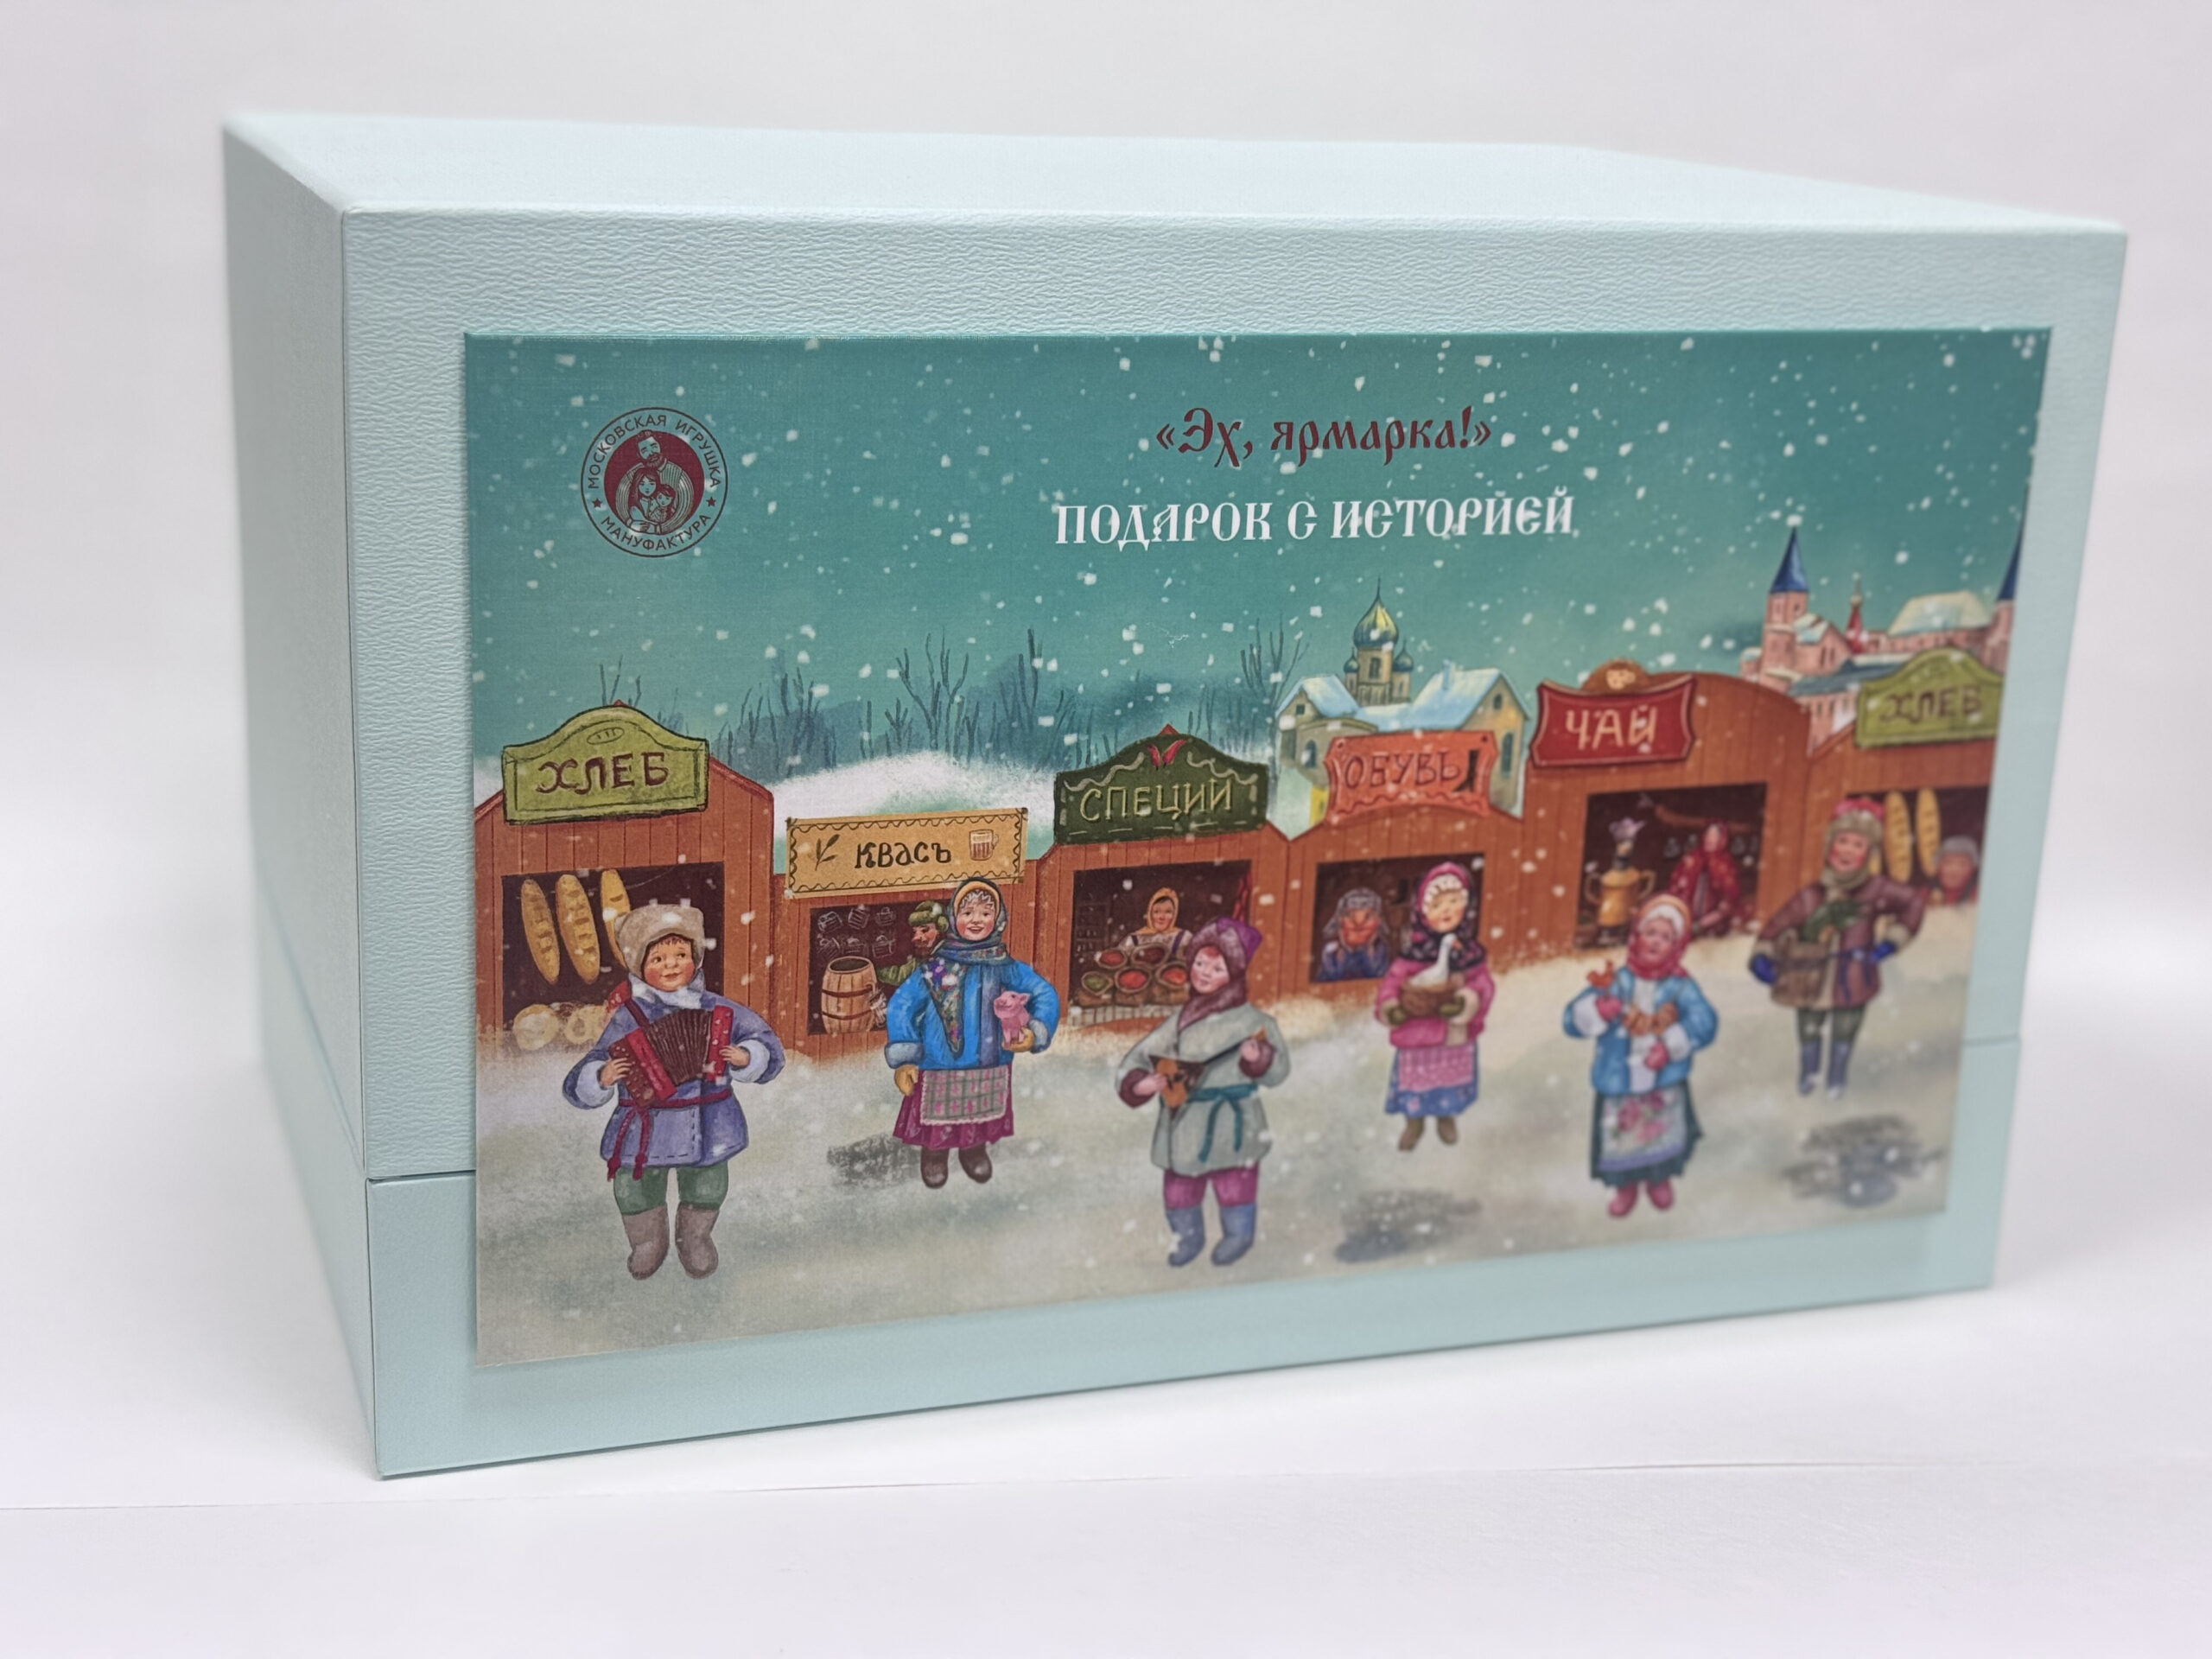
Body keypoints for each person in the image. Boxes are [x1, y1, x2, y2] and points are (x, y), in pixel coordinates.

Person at [563, 904, 785, 1280]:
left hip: (709, 1117)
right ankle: (647, 1241)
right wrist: (602, 1076)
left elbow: (767, 1045)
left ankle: (695, 1237)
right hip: (646, 1121)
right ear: (639, 966)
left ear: (695, 958)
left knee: (708, 1181)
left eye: (681, 955)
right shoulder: (628, 1017)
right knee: (635, 1185)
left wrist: (748, 1056)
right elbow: (586, 1071)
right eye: (658, 958)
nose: (671, 965)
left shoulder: (719, 1009)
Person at [1116, 918, 1290, 1268]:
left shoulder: (1255, 1022)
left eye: (1217, 968)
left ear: (1235, 973)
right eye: (1199, 963)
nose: (1204, 973)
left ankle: (1238, 1235)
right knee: (1180, 1188)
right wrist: (1140, 1083)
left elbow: (1279, 1072)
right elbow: (1139, 1057)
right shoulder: (1182, 1020)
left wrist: (1259, 1059)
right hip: (1186, 1118)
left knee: (1235, 1184)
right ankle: (1188, 1236)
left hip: (1234, 1120)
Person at [883, 877, 1060, 1187]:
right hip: (940, 1063)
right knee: (937, 1119)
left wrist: (1036, 1030)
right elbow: (903, 1004)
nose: (976, 920)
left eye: (985, 913)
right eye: (967, 913)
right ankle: (934, 1155)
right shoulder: (935, 967)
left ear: (998, 919)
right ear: (954, 919)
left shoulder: (1003, 965)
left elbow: (1043, 993)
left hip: (989, 1061)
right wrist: (905, 1056)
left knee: (979, 1115)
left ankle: (973, 1151)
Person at [1752, 798, 1927, 1098]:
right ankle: (1808, 1076)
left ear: (1869, 853)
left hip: (1854, 975)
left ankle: (1837, 1079)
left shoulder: (1876, 890)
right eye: (1842, 841)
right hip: (1808, 978)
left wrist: (1891, 942)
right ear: (1829, 847)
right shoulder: (1811, 895)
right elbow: (1778, 924)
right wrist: (1763, 955)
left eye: (1858, 845)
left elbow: (1913, 902)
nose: (1847, 850)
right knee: (1808, 1028)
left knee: (1845, 1029)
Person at [1562, 894, 1719, 1217]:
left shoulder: (1680, 987)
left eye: (1666, 937)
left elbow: (1705, 1021)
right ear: (1636, 937)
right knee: (1622, 1139)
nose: (1656, 942)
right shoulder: (1616, 982)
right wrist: (1597, 1011)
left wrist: (1672, 1045)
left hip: (1663, 1083)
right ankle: (1625, 1186)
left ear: (1677, 946)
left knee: (1662, 1133)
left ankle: (1659, 1178)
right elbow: (1571, 1021)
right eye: (1650, 933)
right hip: (1618, 1081)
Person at [1374, 862, 1496, 1151]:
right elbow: (1391, 986)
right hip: (1416, 1035)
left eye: (1454, 902)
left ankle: (1446, 1117)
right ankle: (1413, 1121)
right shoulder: (1411, 956)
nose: (1446, 910)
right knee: (1414, 1082)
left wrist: (1466, 1001)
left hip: (1453, 1036)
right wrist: (1391, 1007)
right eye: (1437, 904)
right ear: (1423, 910)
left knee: (1450, 1080)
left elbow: (1484, 985)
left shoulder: (1469, 954)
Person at [1666, 821, 1746, 938]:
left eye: (1715, 836)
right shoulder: (1692, 858)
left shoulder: (1725, 864)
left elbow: (1730, 897)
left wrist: (1703, 923)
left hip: (1714, 921)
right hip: (1686, 915)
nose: (1710, 839)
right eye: (1708, 834)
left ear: (1722, 839)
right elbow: (1677, 886)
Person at [1316, 887, 1391, 982]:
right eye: (1350, 915)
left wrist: (1366, 950)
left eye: (1369, 916)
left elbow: (1376, 974)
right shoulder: (1331, 950)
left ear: (1378, 921)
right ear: (1340, 920)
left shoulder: (1380, 948)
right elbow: (1333, 976)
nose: (1359, 923)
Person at [876, 900, 948, 990]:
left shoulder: (950, 956)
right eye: (915, 932)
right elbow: (899, 975)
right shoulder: (919, 961)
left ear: (939, 930)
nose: (915, 938)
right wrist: (875, 972)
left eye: (924, 930)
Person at [1118, 885, 1194, 961]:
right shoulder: (1133, 940)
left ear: (1174, 914)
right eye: (1157, 912)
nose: (1161, 917)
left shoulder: (1184, 939)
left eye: (1168, 912)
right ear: (1150, 913)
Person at [1929, 835, 1980, 907]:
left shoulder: (1979, 896)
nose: (1954, 870)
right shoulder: (1924, 894)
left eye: (1962, 864)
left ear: (1971, 870)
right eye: (1948, 863)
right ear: (1938, 866)